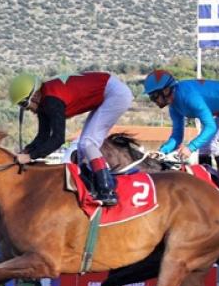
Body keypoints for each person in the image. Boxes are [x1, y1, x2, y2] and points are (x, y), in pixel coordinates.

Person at [9, 72, 134, 206]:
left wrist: (30, 156)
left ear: (34, 96)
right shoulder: (45, 100)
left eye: (24, 104)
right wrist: (27, 150)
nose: (27, 110)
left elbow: (58, 139)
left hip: (115, 94)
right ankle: (92, 186)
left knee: (87, 143)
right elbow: (42, 136)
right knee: (82, 148)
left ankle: (107, 189)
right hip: (110, 92)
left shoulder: (51, 100)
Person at [144, 69, 219, 195]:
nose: (154, 101)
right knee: (204, 147)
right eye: (151, 98)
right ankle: (208, 183)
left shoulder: (189, 97)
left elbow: (210, 127)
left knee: (217, 146)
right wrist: (162, 152)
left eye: (154, 96)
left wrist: (190, 147)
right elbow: (177, 136)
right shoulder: (174, 106)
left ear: (166, 90)